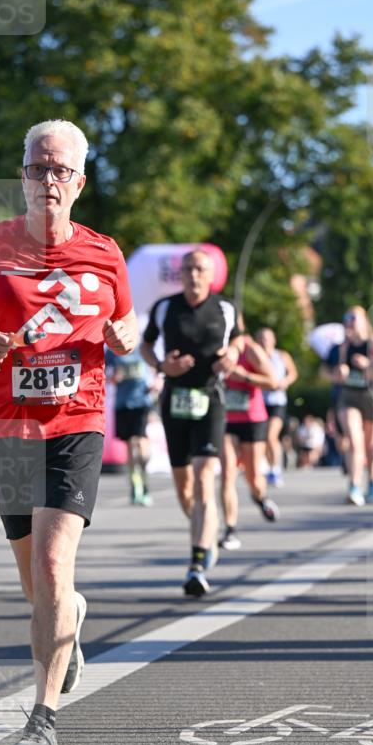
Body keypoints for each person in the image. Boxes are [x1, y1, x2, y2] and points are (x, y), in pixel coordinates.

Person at [0, 119, 137, 745]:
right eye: (39, 167)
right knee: (37, 583)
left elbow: (125, 327)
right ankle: (69, 615)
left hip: (76, 423)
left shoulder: (104, 254)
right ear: (22, 176)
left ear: (80, 182)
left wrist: (128, 340)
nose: (49, 180)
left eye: (61, 170)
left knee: (49, 562)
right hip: (7, 428)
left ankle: (42, 719)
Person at [140, 248, 241, 597]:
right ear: (180, 275)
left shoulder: (225, 308)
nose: (193, 274)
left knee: (203, 480)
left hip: (210, 398)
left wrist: (233, 356)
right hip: (175, 399)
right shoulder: (165, 307)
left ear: (210, 274)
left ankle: (197, 563)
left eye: (199, 268)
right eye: (187, 269)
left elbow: (239, 340)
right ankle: (204, 530)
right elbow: (146, 345)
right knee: (186, 489)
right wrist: (161, 366)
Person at [220, 323, 280, 551]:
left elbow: (273, 383)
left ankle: (261, 497)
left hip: (252, 419)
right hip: (225, 420)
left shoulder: (250, 349)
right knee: (227, 473)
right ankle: (230, 529)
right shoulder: (215, 347)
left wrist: (243, 376)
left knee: (253, 476)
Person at [333, 306, 373, 506]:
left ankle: (372, 481)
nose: (350, 321)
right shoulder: (343, 346)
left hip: (372, 396)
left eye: (354, 317)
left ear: (364, 320)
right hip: (349, 396)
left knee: (370, 446)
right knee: (355, 442)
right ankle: (354, 486)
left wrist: (368, 365)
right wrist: (342, 370)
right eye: (347, 317)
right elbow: (336, 373)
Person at [106, 345, 158, 505]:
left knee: (140, 445)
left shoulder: (143, 349)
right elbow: (103, 374)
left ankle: (144, 476)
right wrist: (114, 377)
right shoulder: (112, 351)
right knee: (130, 444)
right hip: (123, 404)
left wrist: (156, 383)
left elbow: (156, 369)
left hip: (141, 402)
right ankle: (135, 485)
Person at [256, 328, 298, 487]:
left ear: (273, 340)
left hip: (277, 402)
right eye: (261, 338)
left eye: (267, 339)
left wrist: (285, 382)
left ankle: (275, 469)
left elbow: (293, 373)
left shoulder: (281, 356)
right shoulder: (255, 356)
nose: (264, 342)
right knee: (263, 438)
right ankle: (269, 466)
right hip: (260, 401)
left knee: (271, 435)